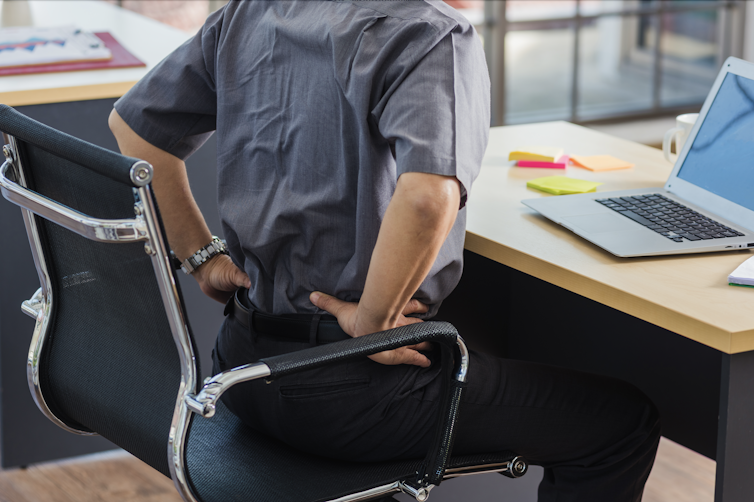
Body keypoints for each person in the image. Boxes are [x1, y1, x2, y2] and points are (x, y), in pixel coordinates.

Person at [109, 1, 660, 500]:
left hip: (242, 371)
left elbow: (134, 128)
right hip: (350, 396)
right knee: (622, 422)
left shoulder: (253, 11)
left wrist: (200, 256)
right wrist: (371, 324)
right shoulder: (431, 34)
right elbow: (426, 198)